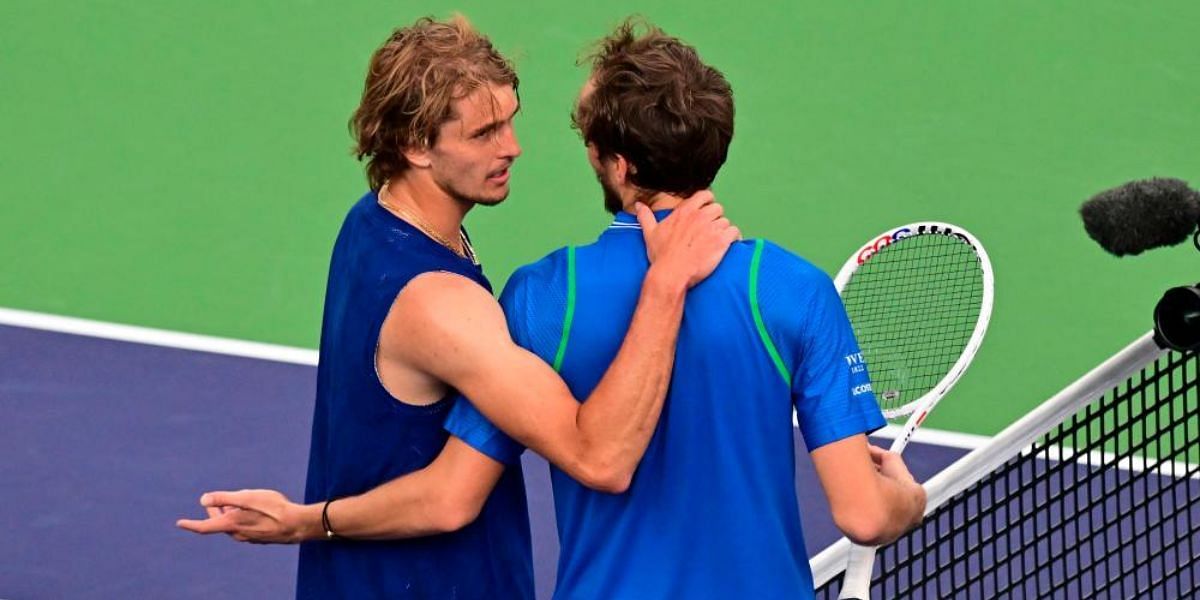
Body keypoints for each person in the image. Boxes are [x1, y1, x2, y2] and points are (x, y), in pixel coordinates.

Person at [181, 18, 926, 599]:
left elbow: (451, 492)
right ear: (415, 146)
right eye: (485, 132)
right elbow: (859, 514)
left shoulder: (518, 288)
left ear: (614, 164)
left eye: (514, 121)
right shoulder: (793, 291)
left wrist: (310, 522)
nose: (515, 147)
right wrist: (911, 499)